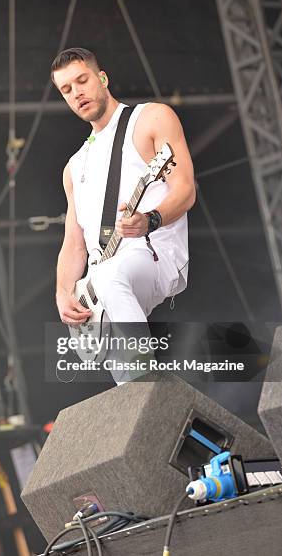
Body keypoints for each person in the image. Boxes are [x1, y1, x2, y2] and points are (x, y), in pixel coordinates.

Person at [51, 47, 195, 383]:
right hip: (102, 280)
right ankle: (145, 411)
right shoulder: (74, 166)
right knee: (124, 389)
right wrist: (63, 293)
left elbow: (185, 189)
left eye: (82, 81)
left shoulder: (151, 118)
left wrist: (150, 219)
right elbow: (74, 244)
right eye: (66, 90)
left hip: (154, 254)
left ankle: (152, 387)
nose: (77, 93)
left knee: (109, 277)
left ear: (102, 78)